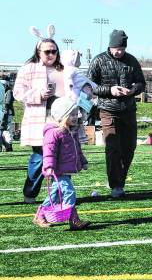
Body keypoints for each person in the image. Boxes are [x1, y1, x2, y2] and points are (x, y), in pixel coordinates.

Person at [87, 29, 146, 199]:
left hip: (128, 110)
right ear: (110, 46)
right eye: (117, 48)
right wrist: (110, 90)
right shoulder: (98, 60)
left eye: (122, 48)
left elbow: (141, 83)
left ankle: (118, 178)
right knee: (113, 148)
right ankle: (116, 185)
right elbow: (90, 86)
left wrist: (132, 90)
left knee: (129, 148)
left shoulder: (132, 60)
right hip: (107, 110)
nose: (119, 51)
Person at [14, 27, 69, 204]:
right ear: (38, 52)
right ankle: (30, 193)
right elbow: (17, 92)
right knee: (39, 157)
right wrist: (37, 94)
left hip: (60, 120)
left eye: (54, 51)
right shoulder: (28, 69)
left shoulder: (64, 70)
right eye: (47, 51)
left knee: (61, 158)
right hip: (38, 120)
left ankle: (57, 194)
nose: (51, 54)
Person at [35, 97, 90, 230]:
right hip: (58, 171)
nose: (75, 117)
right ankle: (74, 219)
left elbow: (78, 149)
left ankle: (40, 215)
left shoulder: (71, 131)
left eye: (76, 114)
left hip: (67, 169)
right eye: (71, 114)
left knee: (54, 195)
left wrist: (83, 161)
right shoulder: (54, 132)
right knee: (69, 193)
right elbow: (49, 151)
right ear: (62, 116)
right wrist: (49, 167)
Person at [61, 50, 96, 145]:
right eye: (78, 58)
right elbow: (68, 78)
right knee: (74, 119)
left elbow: (86, 80)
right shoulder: (69, 69)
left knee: (79, 119)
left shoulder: (76, 70)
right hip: (74, 97)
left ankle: (79, 139)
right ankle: (72, 138)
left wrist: (94, 87)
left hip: (81, 97)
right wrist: (70, 85)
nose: (79, 60)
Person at [0, 78, 13, 152]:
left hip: (6, 112)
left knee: (5, 129)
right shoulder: (4, 89)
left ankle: (8, 145)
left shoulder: (8, 91)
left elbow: (7, 103)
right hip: (4, 111)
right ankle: (6, 145)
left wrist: (5, 111)